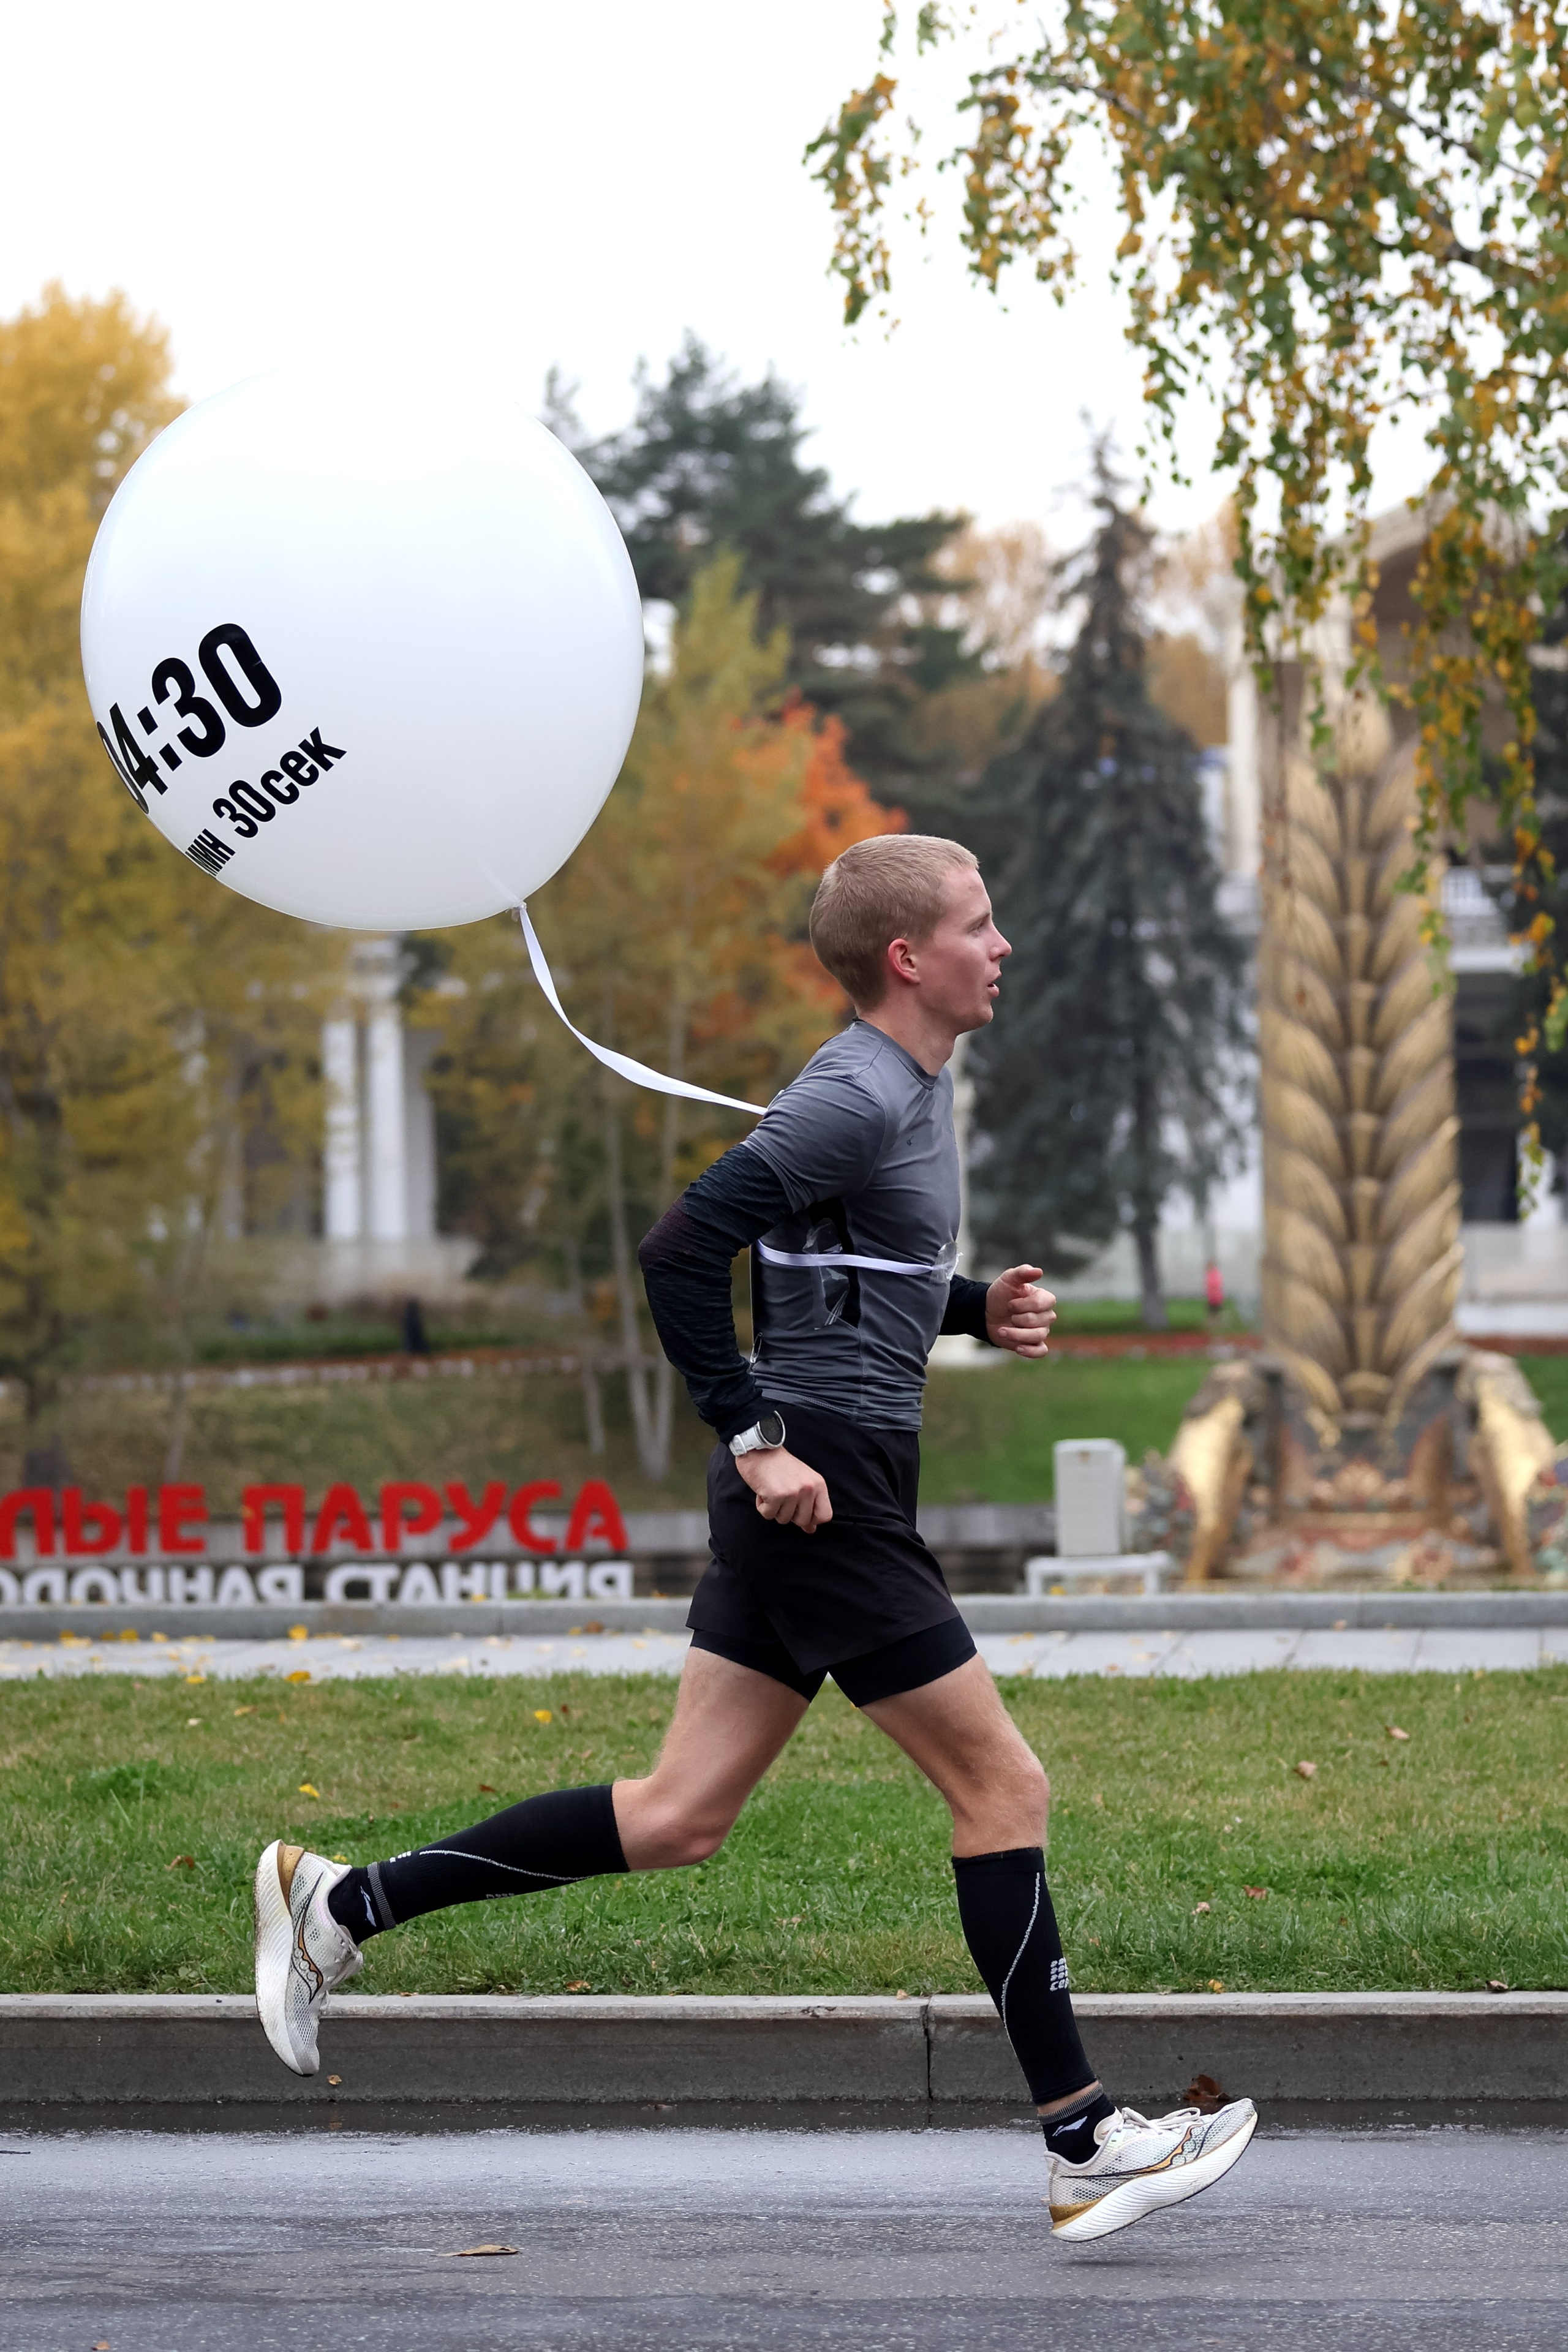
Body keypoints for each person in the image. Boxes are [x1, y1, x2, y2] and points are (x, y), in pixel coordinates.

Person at [253, 834, 1254, 2242]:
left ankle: (340, 1905)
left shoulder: (900, 1081)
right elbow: (680, 1251)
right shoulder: (855, 1091)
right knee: (1002, 1789)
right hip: (819, 1485)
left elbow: (826, 1263)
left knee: (677, 1817)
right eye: (979, 924)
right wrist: (754, 1436)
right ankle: (1082, 2139)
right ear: (907, 960)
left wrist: (970, 1308)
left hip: (821, 1484)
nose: (1003, 944)